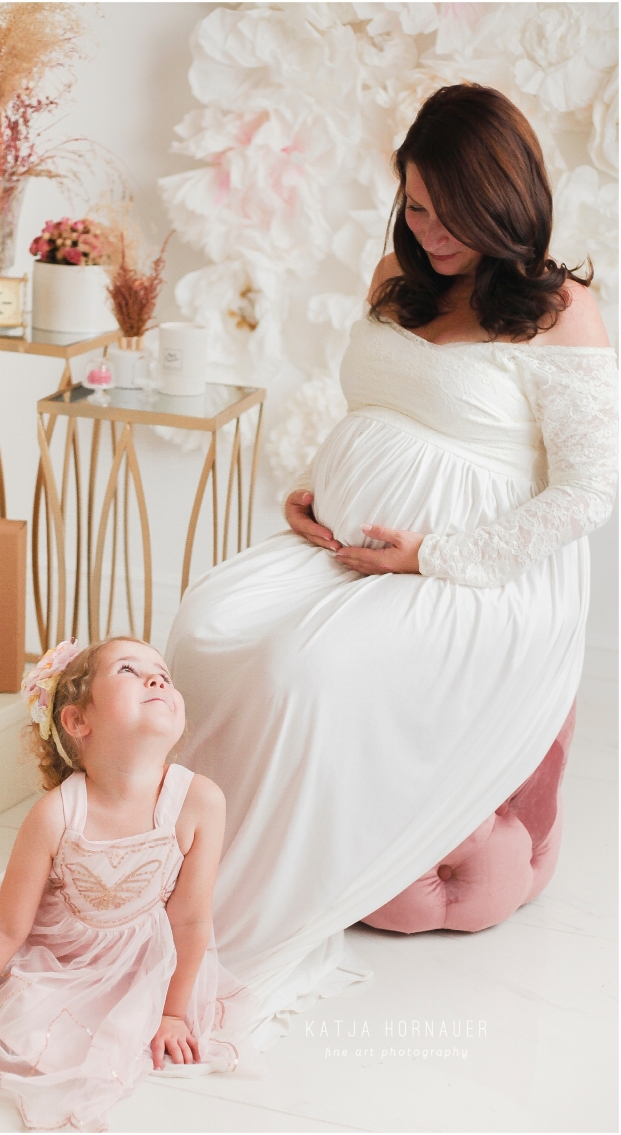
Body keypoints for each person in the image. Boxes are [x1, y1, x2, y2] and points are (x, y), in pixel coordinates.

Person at [165, 84, 618, 1044]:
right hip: (350, 545)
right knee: (204, 622)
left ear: (505, 202)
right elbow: (379, 408)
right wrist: (316, 484)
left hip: (480, 573)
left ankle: (234, 909)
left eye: (453, 214)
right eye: (415, 206)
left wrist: (433, 555)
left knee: (300, 670)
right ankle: (172, 868)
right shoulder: (395, 275)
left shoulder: (561, 311)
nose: (431, 232)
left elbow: (587, 495)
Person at [0, 637, 255, 1132]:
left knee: (64, 1045)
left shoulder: (200, 801)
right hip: (46, 945)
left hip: (134, 960)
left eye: (162, 673)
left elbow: (192, 920)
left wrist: (173, 1014)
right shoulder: (55, 815)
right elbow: (6, 929)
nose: (156, 678)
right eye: (128, 670)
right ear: (78, 721)